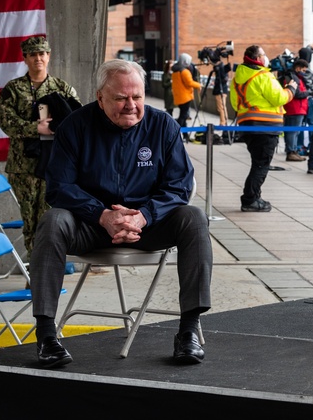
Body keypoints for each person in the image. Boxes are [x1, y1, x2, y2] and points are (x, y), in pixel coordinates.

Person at [30, 59, 213, 367]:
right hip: (90, 225)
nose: (131, 105)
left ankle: (188, 331)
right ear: (100, 98)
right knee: (53, 220)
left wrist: (142, 216)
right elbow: (58, 187)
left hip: (148, 224)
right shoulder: (75, 126)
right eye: (121, 98)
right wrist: (103, 215)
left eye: (137, 97)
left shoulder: (163, 126)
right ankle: (47, 335)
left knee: (194, 218)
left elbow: (179, 186)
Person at [0, 36, 80, 258]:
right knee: (30, 221)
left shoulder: (62, 88)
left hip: (54, 165)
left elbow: (78, 119)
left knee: (49, 219)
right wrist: (36, 128)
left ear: (49, 56)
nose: (38, 58)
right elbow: (5, 121)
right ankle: (36, 271)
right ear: (25, 59)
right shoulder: (13, 89)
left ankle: (45, 269)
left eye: (42, 54)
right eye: (33, 55)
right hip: (23, 167)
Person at [231, 45, 297, 212]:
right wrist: (291, 89)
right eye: (264, 54)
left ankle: (254, 197)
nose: (266, 57)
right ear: (258, 58)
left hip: (247, 126)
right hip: (266, 127)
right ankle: (250, 199)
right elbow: (279, 98)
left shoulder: (238, 78)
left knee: (257, 163)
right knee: (261, 165)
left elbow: (234, 103)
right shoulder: (263, 76)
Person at [282, 59, 313, 162]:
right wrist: (309, 93)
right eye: (303, 70)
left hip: (296, 108)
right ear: (298, 68)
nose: (304, 73)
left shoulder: (294, 77)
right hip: (295, 108)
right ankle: (291, 151)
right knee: (293, 131)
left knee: (294, 131)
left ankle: (293, 151)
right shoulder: (293, 78)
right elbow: (297, 93)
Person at [171, 52, 202, 136]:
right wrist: (199, 85)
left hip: (179, 96)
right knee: (183, 116)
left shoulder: (175, 71)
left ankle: (185, 134)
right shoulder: (184, 71)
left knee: (183, 115)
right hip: (185, 97)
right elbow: (189, 83)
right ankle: (175, 132)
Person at [211, 57, 236, 129]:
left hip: (220, 91)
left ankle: (223, 123)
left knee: (221, 107)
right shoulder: (223, 68)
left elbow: (222, 80)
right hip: (222, 90)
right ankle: (224, 121)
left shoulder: (220, 69)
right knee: (223, 106)